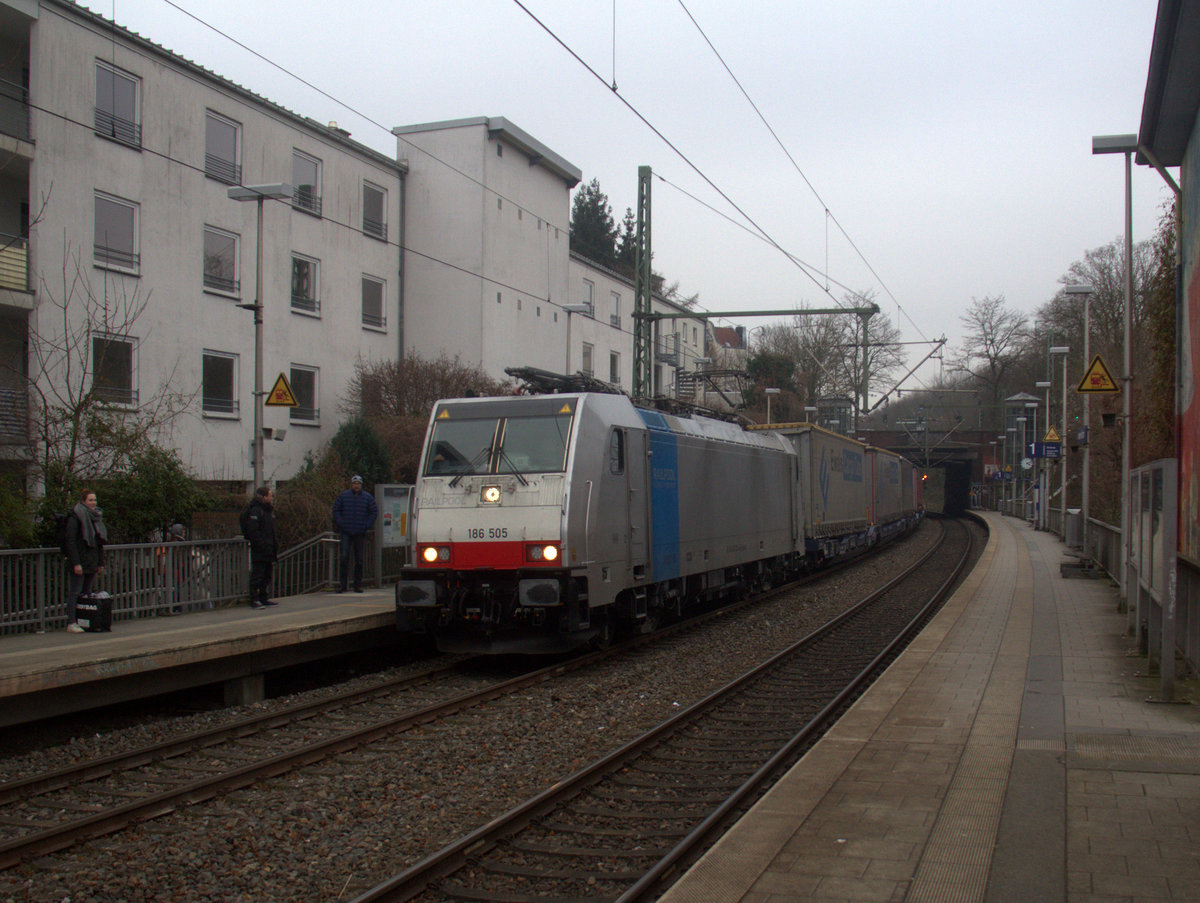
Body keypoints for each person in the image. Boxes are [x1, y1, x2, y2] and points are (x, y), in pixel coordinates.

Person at [64, 488, 107, 633]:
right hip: (80, 560)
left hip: (91, 560)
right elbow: (70, 541)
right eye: (90, 500)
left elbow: (99, 542)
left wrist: (100, 562)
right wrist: (76, 562)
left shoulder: (95, 518)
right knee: (75, 591)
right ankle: (71, 622)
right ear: (83, 501)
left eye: (94, 500)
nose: (93, 503)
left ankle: (85, 619)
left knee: (87, 591)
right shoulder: (75, 517)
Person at [331, 474, 377, 593]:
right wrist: (341, 523)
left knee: (359, 560)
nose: (356, 486)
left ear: (361, 485)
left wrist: (366, 525)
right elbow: (336, 509)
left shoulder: (367, 497)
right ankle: (343, 585)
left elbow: (373, 511)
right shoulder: (343, 496)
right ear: (351, 484)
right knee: (344, 557)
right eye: (354, 483)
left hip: (359, 532)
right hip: (346, 531)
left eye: (358, 484)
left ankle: (357, 585)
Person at [240, 486, 278, 609]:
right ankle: (254, 598)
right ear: (264, 497)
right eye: (270, 495)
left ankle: (263, 597)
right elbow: (253, 531)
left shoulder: (267, 511)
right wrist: (261, 544)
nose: (271, 497)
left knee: (267, 574)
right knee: (258, 573)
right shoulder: (256, 510)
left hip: (268, 547)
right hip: (260, 548)